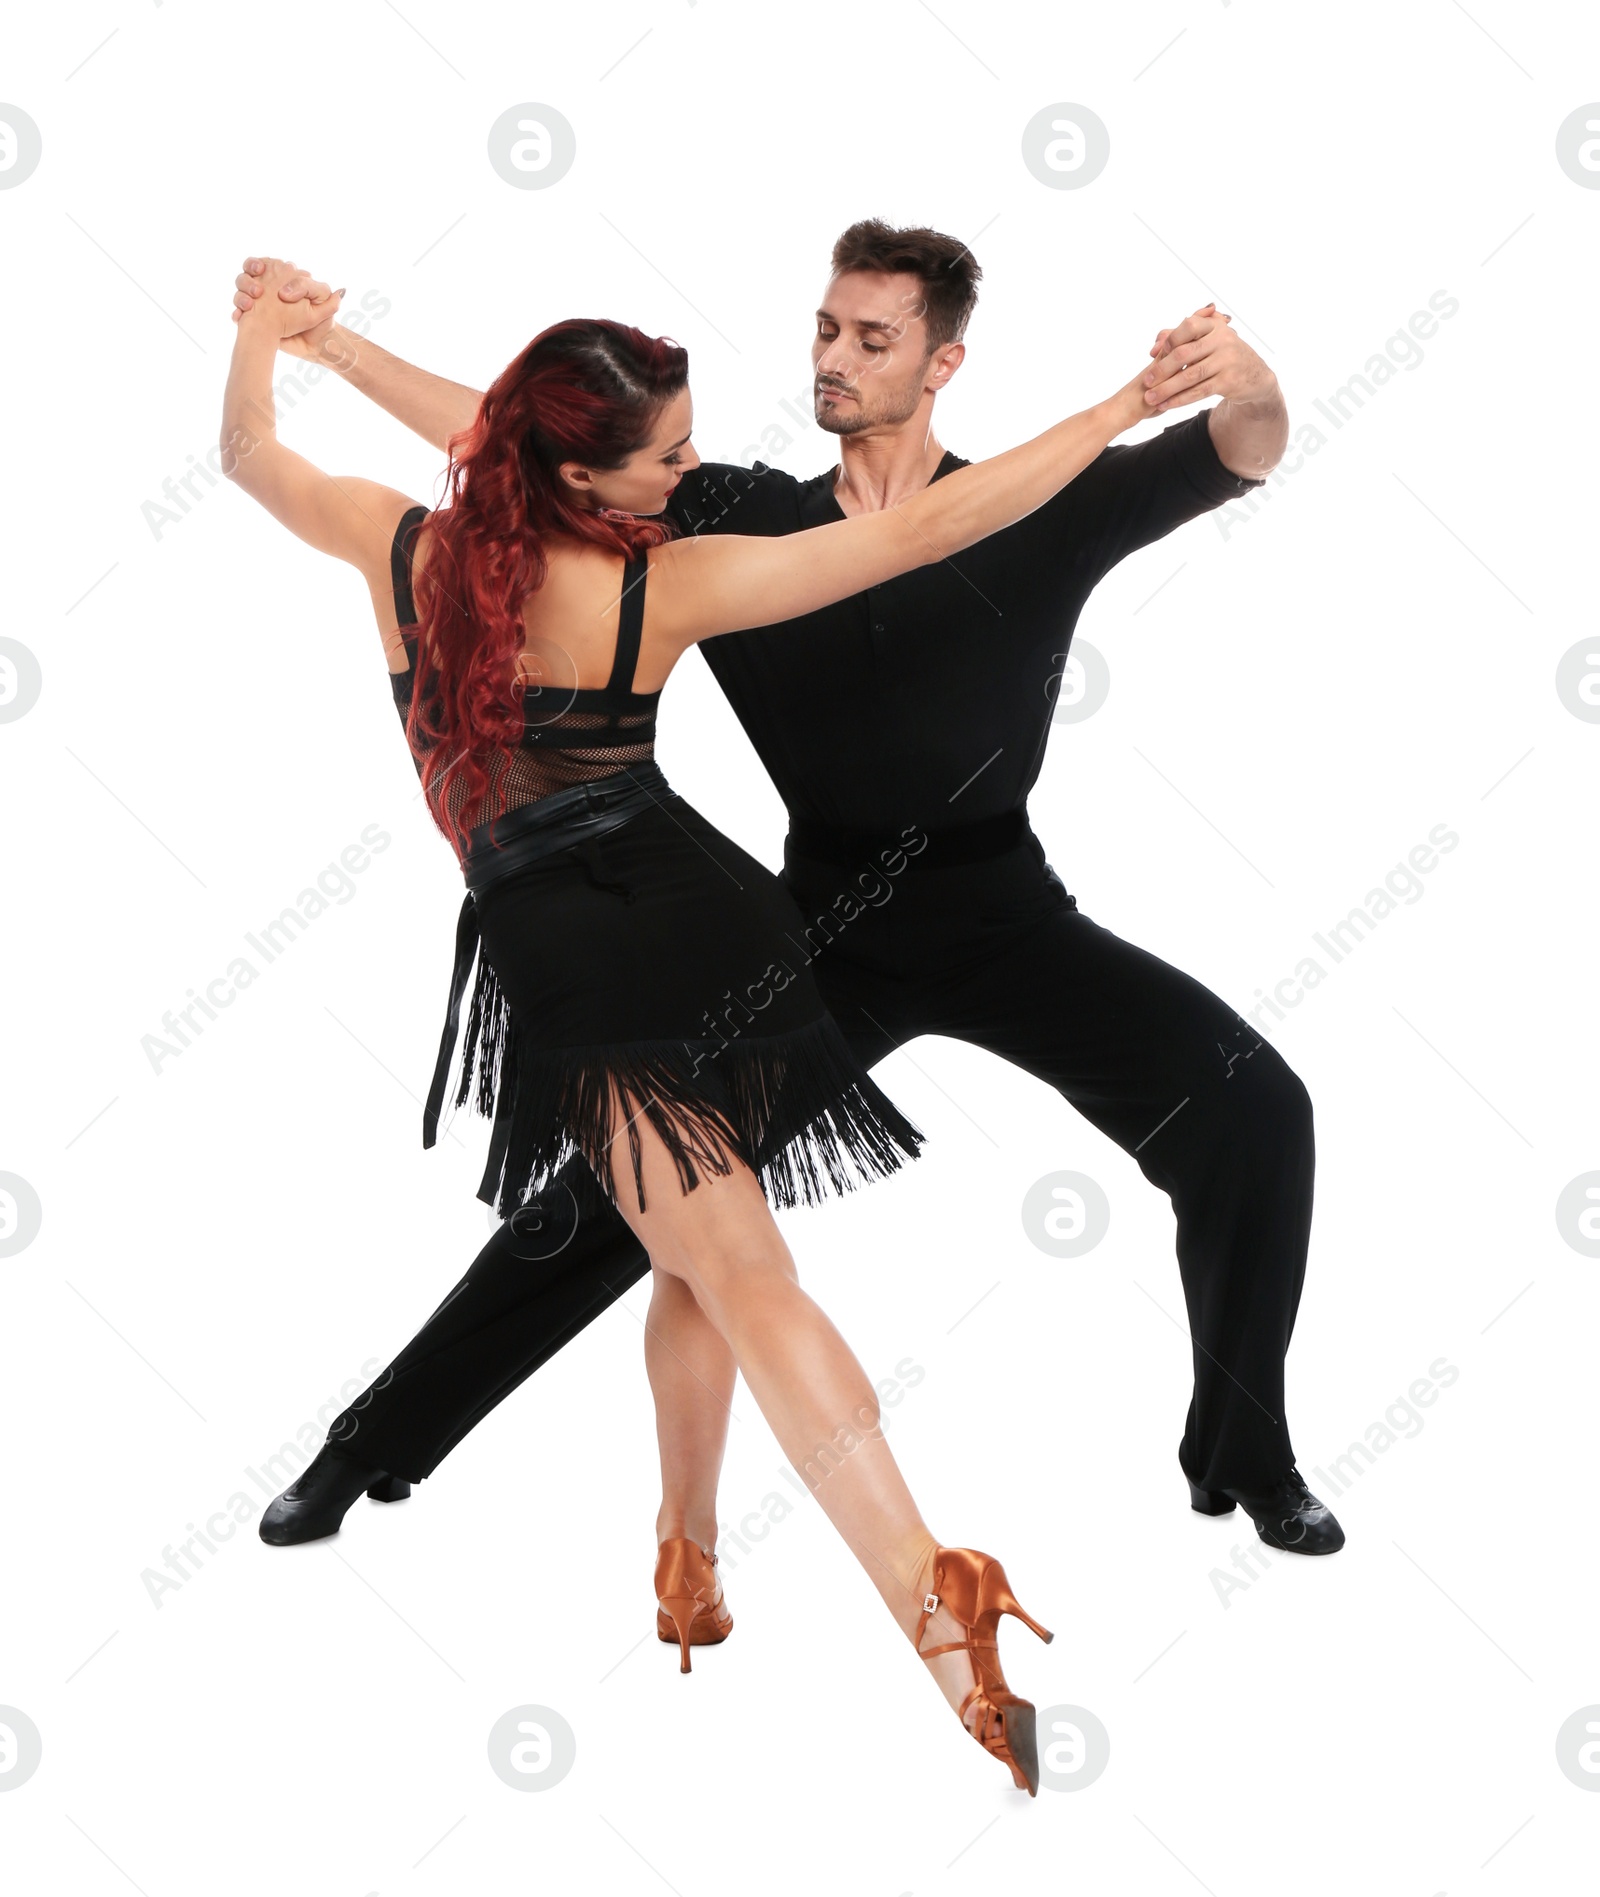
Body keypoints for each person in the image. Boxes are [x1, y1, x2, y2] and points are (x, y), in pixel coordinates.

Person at [240, 219, 1343, 1568]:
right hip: (815, 922)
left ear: (942, 362)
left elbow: (1253, 447)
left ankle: (1248, 1451)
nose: (834, 356)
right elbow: (523, 447)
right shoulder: (736, 513)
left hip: (1004, 911)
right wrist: (331, 342)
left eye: (873, 338)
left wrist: (1246, 372)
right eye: (828, 326)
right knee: (612, 1197)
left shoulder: (1037, 497)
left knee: (1255, 1106)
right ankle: (369, 1444)